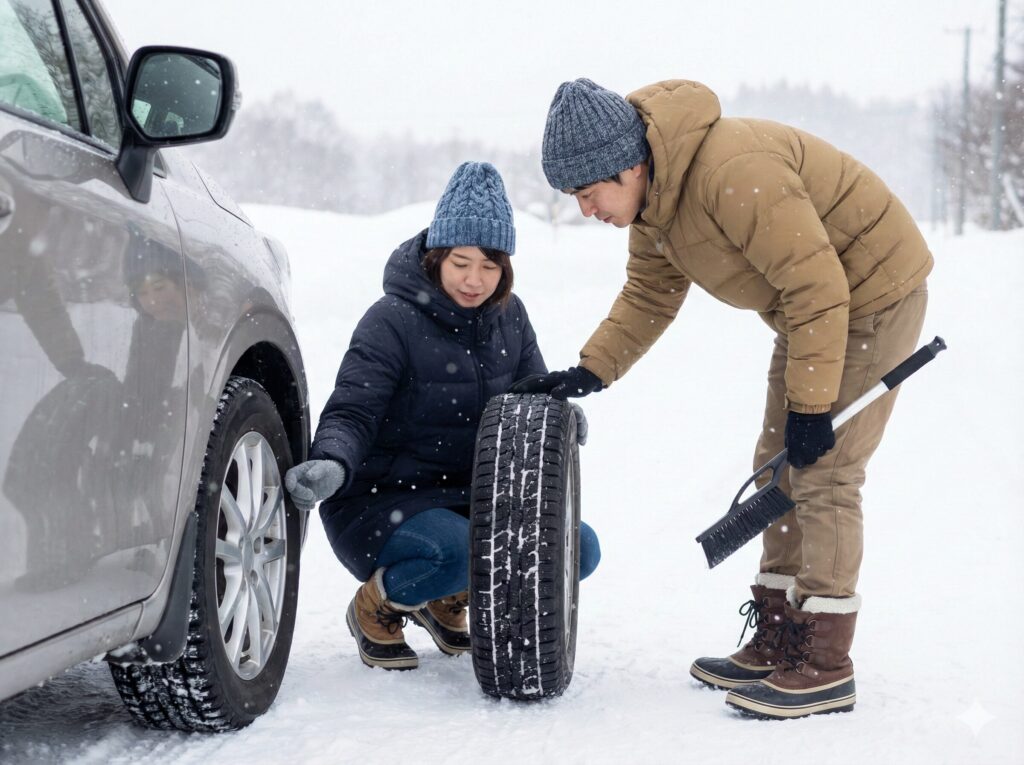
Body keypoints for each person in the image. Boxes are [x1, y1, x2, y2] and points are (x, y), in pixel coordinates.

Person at [522, 79, 930, 718]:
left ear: (627, 165)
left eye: (587, 191)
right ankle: (777, 634)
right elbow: (650, 296)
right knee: (778, 462)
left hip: (871, 297)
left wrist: (812, 408)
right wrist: (590, 370)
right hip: (812, 313)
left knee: (824, 472)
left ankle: (823, 661)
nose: (585, 209)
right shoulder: (655, 204)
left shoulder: (731, 172)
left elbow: (817, 282)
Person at [285, 162, 601, 671]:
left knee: (575, 548)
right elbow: (353, 408)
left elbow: (533, 396)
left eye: (490, 266)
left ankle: (445, 599)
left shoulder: (510, 317)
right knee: (457, 551)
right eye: (461, 262)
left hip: (472, 499)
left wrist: (558, 418)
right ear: (436, 256)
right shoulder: (391, 320)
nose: (475, 280)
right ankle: (376, 606)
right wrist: (333, 463)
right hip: (380, 501)